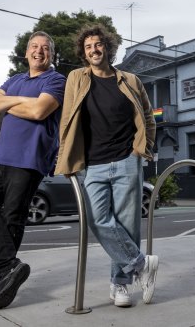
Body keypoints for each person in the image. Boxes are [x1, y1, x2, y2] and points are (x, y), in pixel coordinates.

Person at [0, 31, 65, 309]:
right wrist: (20, 103)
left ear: (51, 54)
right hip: (0, 158)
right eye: (34, 46)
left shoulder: (55, 80)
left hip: (29, 159)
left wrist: (8, 104)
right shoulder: (15, 79)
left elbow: (39, 112)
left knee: (12, 217)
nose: (38, 51)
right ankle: (9, 266)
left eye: (45, 47)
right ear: (26, 51)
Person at [55, 24, 158, 307]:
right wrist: (66, 157)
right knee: (98, 220)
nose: (94, 50)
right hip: (93, 164)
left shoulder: (130, 80)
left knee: (126, 224)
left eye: (98, 45)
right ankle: (141, 265)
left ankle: (121, 285)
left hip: (127, 160)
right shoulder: (76, 78)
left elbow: (148, 118)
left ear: (108, 48)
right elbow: (67, 120)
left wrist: (142, 150)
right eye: (88, 47)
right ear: (83, 52)